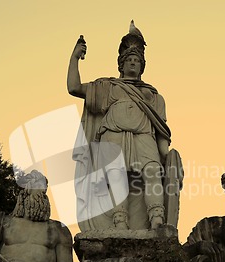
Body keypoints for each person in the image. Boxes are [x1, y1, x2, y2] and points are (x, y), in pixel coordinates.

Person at [68, 21, 172, 231]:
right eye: (129, 60)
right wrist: (74, 58)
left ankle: (157, 218)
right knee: (116, 176)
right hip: (113, 135)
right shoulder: (108, 87)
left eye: (137, 60)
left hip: (144, 136)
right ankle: (119, 220)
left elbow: (161, 130)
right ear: (121, 64)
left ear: (142, 66)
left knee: (152, 171)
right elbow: (74, 87)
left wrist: (167, 156)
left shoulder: (154, 96)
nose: (133, 63)